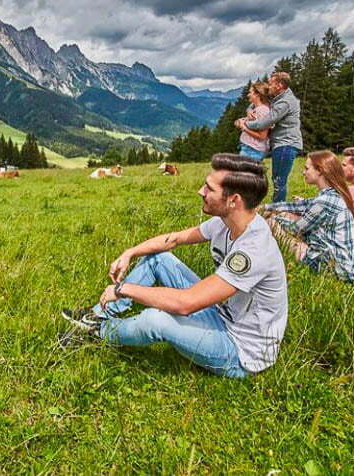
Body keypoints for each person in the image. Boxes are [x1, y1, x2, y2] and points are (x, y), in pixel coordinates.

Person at [62, 154, 288, 378]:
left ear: (234, 200)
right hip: (223, 313)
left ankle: (97, 333)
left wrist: (122, 289)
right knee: (160, 258)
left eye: (209, 188)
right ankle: (96, 315)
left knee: (155, 319)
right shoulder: (227, 222)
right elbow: (175, 239)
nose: (201, 191)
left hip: (239, 350)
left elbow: (185, 304)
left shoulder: (254, 249)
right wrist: (129, 253)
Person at [261, 150, 354, 282]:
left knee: (271, 223)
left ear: (320, 171)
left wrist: (273, 218)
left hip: (333, 269)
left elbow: (295, 229)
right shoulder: (332, 195)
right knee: (282, 216)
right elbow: (300, 206)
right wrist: (267, 207)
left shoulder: (324, 201)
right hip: (345, 265)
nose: (303, 172)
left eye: (307, 168)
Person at [237, 71, 302, 202]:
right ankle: (275, 206)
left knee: (279, 180)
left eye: (271, 83)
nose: (268, 86)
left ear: (280, 85)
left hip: (286, 144)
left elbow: (265, 122)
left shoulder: (285, 102)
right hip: (280, 144)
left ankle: (278, 208)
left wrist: (245, 124)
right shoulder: (277, 97)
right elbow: (257, 102)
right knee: (276, 178)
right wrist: (250, 111)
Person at [237, 81, 272, 162]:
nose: (248, 95)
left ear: (257, 94)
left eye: (250, 92)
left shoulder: (263, 111)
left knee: (245, 174)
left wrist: (244, 128)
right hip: (249, 149)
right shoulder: (255, 110)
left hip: (252, 150)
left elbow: (262, 136)